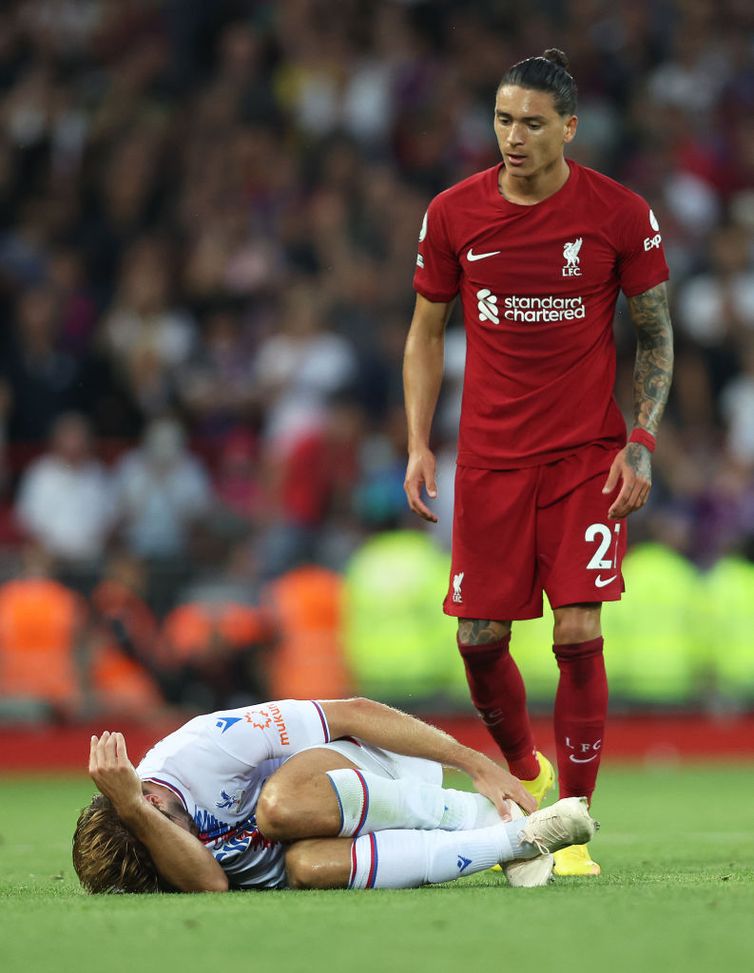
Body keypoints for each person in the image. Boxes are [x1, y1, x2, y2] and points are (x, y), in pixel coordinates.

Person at [403, 49, 673, 877]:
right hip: (488, 459)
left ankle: (574, 820)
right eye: (500, 119)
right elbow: (425, 333)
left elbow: (655, 333)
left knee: (578, 627)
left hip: (585, 459)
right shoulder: (453, 213)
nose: (511, 137)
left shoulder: (619, 213)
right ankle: (528, 775)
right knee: (480, 640)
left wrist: (641, 438)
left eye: (529, 122)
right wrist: (417, 440)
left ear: (568, 128)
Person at [72, 696, 597, 893]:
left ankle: (477, 812)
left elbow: (353, 713)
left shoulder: (204, 748)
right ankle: (517, 840)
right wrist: (139, 817)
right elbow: (209, 882)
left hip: (384, 766)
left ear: (150, 799)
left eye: (156, 827)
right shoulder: (164, 851)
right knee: (305, 869)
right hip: (359, 833)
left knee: (276, 810)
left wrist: (474, 762)